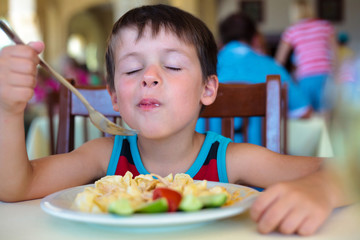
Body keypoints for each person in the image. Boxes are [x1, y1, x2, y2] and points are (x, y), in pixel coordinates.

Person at [0, 4, 349, 236]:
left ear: (208, 89)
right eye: (133, 68)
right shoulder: (102, 156)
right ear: (114, 97)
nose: (149, 77)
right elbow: (17, 187)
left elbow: (349, 172)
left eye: (172, 65)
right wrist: (8, 111)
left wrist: (321, 188)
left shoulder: (232, 160)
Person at [197, 12, 311, 145]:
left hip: (209, 161)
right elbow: (304, 112)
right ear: (255, 39)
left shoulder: (202, 68)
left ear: (220, 42)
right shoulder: (272, 67)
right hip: (262, 161)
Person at [275, 0, 337, 112]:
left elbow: (279, 61)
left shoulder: (292, 30)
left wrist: (287, 80)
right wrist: (337, 76)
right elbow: (335, 54)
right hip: (326, 76)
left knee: (309, 116)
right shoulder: (325, 26)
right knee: (328, 115)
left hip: (305, 77)